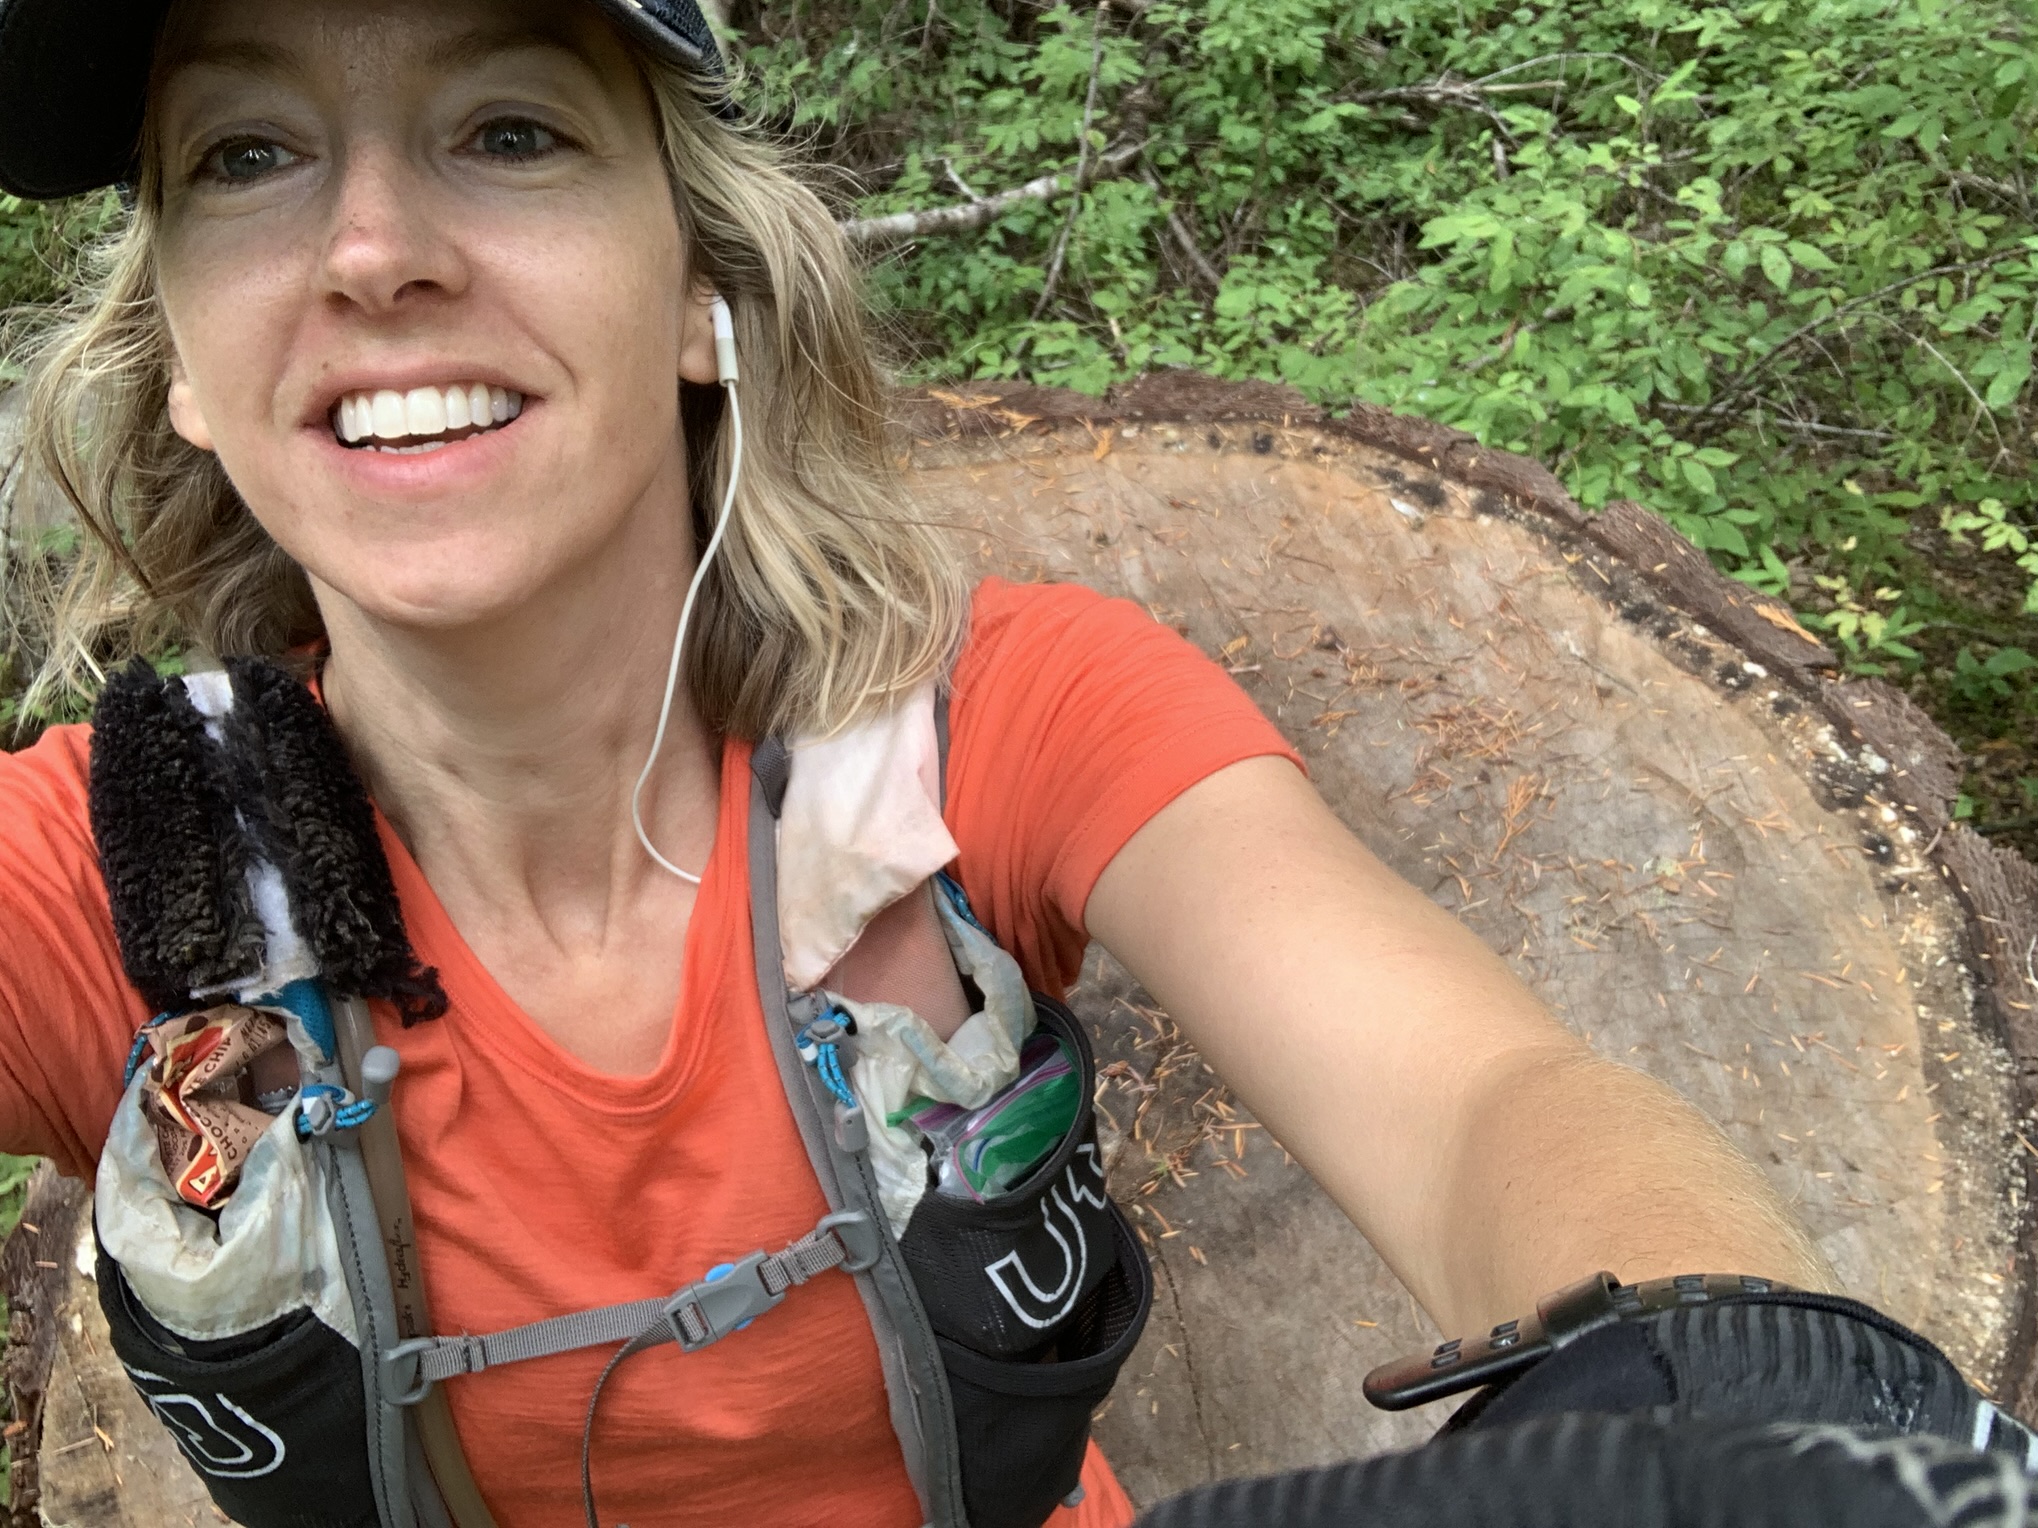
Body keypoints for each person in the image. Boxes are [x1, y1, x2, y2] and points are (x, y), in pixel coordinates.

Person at [0, 0, 1838, 1524]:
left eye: (509, 131)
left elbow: (1474, 1102)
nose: (374, 249)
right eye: (246, 155)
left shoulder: (984, 727)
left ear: (707, 289)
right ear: (179, 354)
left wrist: (1742, 1388)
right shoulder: (119, 880)